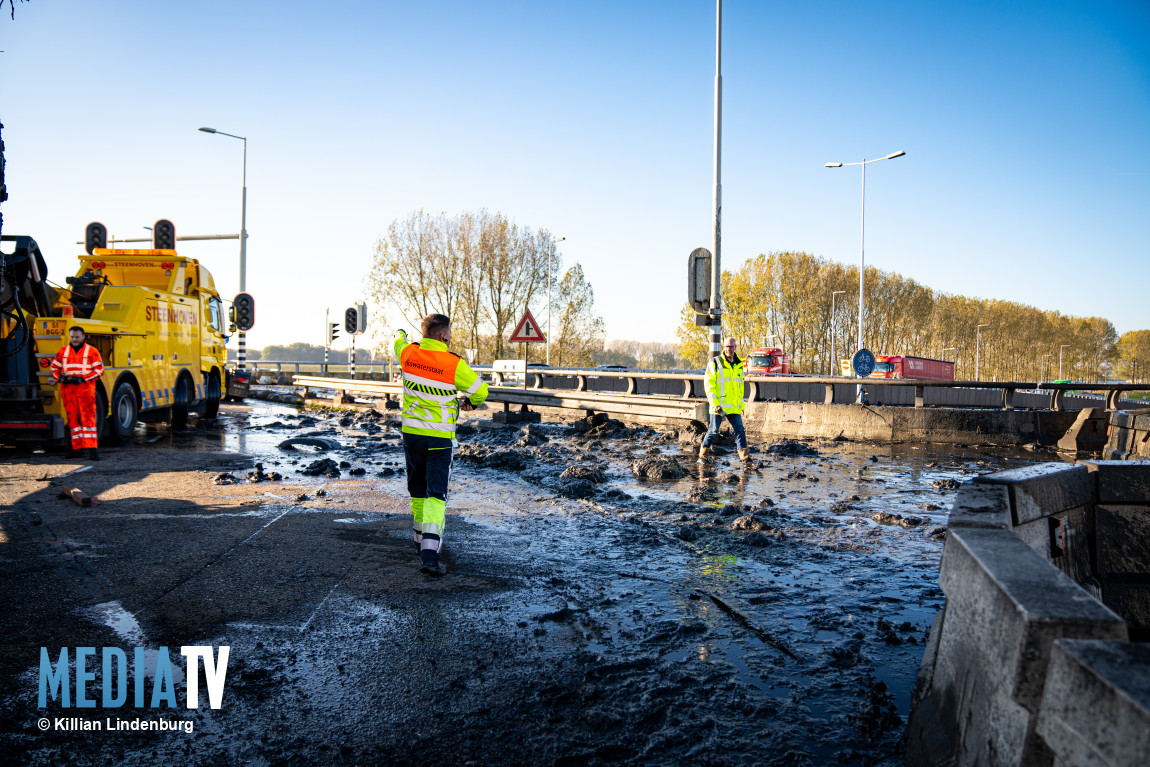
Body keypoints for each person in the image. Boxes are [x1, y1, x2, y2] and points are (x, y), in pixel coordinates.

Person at [393, 314, 488, 576]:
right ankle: (430, 554)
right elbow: (481, 391)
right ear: (443, 336)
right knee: (436, 493)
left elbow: (398, 342)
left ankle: (418, 540)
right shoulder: (453, 364)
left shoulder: (408, 354)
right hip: (439, 440)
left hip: (411, 436)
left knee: (417, 489)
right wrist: (470, 402)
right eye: (449, 335)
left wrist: (400, 333)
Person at [48, 326, 105, 460]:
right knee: (73, 420)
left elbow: (99, 370)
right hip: (68, 390)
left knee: (88, 420)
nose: (74, 339)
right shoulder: (63, 351)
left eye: (77, 337)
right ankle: (78, 449)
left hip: (85, 390)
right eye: (72, 337)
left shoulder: (92, 351)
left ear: (83, 337)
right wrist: (60, 378)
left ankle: (92, 450)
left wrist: (83, 378)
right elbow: (54, 367)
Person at [698, 336, 751, 465]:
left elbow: (739, 387)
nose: (729, 349)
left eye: (731, 346)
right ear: (723, 347)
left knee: (740, 430)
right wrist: (715, 404)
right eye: (726, 346)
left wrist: (741, 405)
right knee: (713, 431)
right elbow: (709, 385)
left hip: (733, 405)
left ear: (735, 347)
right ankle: (702, 456)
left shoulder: (739, 364)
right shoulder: (715, 362)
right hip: (719, 406)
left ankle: (745, 458)